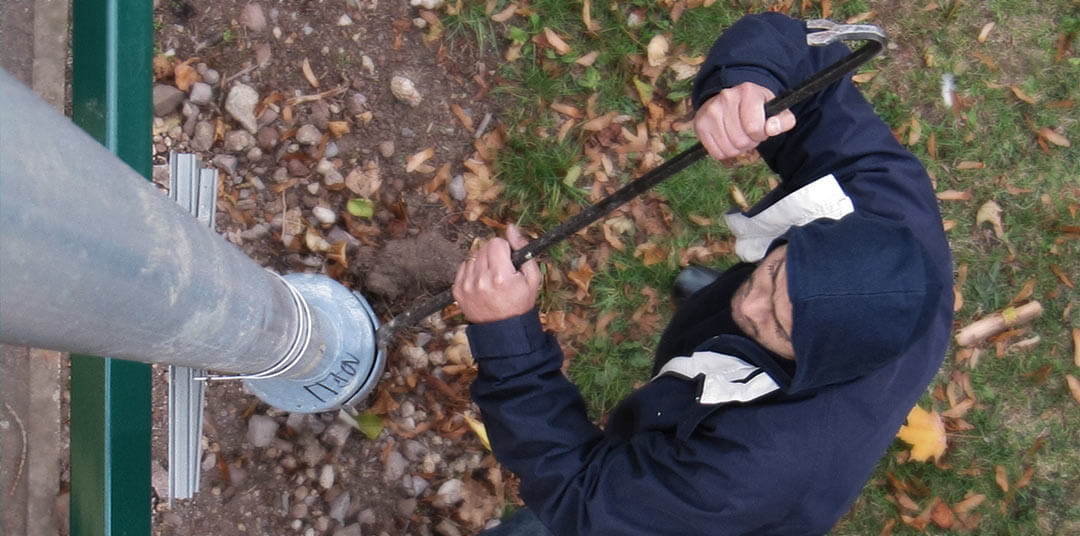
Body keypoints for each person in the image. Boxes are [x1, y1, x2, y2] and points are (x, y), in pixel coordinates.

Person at [452, 12, 953, 536]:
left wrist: (508, 340)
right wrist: (751, 83)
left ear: (815, 365)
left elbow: (588, 500)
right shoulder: (888, 210)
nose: (749, 306)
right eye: (776, 271)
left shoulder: (754, 468)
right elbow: (807, 56)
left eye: (779, 328)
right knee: (738, 306)